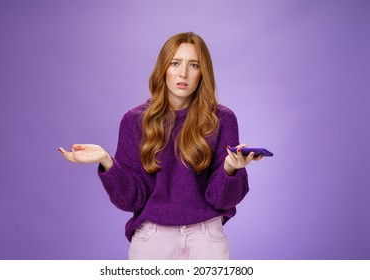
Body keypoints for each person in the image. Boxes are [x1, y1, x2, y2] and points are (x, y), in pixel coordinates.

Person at [58, 32, 262, 260]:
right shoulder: (134, 120)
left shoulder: (223, 119)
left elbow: (222, 199)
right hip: (152, 241)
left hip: (207, 240)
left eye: (193, 65)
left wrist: (230, 169)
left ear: (203, 73)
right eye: (175, 63)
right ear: (163, 68)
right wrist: (107, 162)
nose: (183, 73)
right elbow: (130, 200)